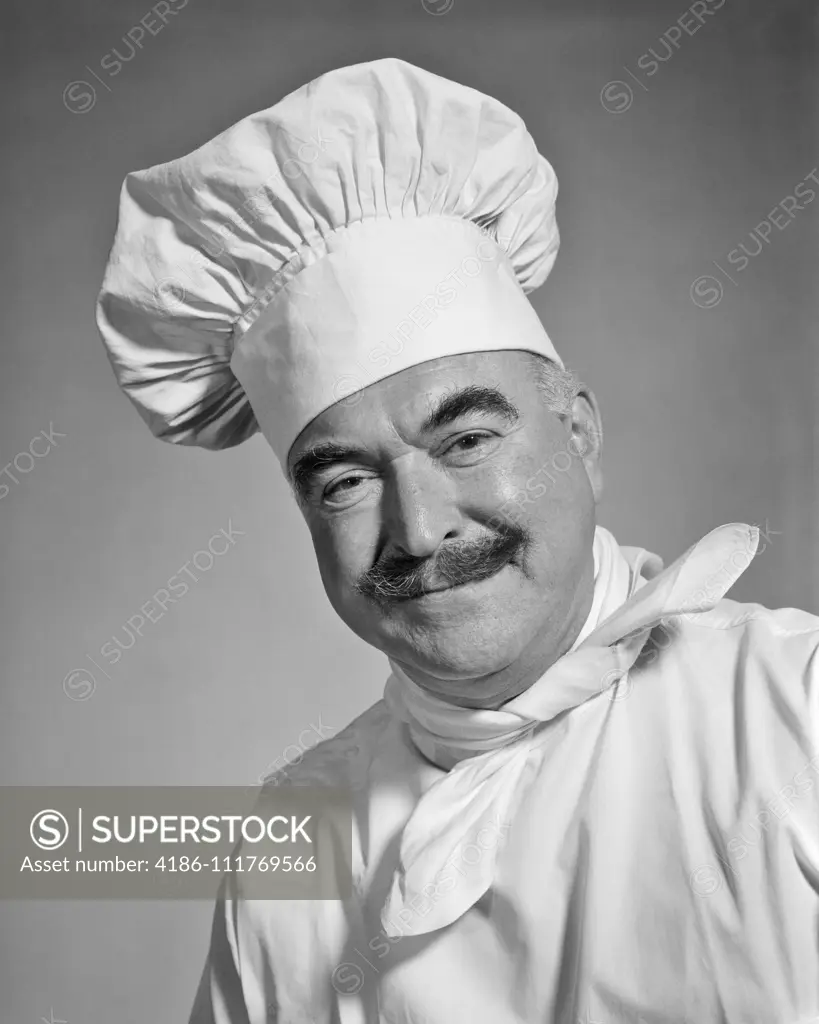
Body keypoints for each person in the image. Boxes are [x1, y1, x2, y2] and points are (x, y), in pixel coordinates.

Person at [96, 57, 819, 1024]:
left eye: (467, 440)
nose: (420, 527)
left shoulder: (791, 709)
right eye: (347, 481)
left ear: (578, 433)